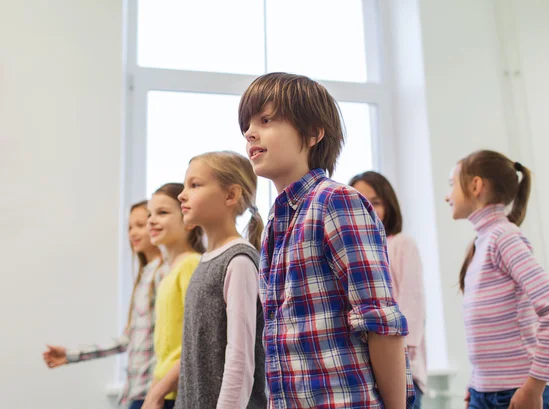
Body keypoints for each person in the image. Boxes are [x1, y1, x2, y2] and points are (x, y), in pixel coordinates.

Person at [239, 72, 414, 409]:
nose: (250, 132)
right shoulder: (278, 219)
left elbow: (380, 321)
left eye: (266, 119)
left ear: (313, 132)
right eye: (247, 124)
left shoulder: (335, 201)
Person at [445, 150, 549, 409]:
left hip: (516, 393)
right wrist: (477, 380)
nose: (447, 196)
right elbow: (488, 327)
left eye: (451, 184)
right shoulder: (483, 241)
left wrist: (534, 387)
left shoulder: (503, 237)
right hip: (485, 392)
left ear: (475, 185)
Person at [43, 200, 168, 409]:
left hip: (153, 394)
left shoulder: (165, 273)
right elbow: (127, 340)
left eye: (140, 225)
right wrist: (71, 355)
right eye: (130, 227)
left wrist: (156, 393)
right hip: (137, 394)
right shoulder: (145, 276)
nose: (133, 233)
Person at [174, 151, 266, 409]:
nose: (182, 195)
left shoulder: (239, 261)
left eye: (195, 185)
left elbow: (240, 359)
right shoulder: (204, 262)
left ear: (230, 195)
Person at [350, 171, 427, 409]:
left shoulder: (401, 244)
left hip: (402, 372)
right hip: (365, 374)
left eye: (375, 202)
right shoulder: (352, 254)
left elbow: (412, 302)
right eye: (359, 202)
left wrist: (402, 354)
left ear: (388, 205)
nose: (367, 209)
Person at [141, 183, 204, 409]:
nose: (151, 220)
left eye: (162, 213)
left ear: (187, 220)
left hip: (176, 391)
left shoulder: (191, 265)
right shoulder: (169, 271)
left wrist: (157, 393)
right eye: (149, 214)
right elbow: (166, 348)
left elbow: (195, 342)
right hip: (166, 390)